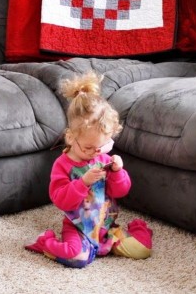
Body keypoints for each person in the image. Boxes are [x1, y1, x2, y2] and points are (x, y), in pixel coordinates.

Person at [25, 71, 153, 268]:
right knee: (77, 258)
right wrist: (83, 182)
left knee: (142, 250)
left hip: (106, 226)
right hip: (78, 228)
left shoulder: (103, 158)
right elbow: (60, 200)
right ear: (70, 138)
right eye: (88, 148)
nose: (96, 153)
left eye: (101, 147)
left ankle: (137, 228)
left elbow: (121, 191)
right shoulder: (63, 164)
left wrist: (118, 171)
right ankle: (46, 242)